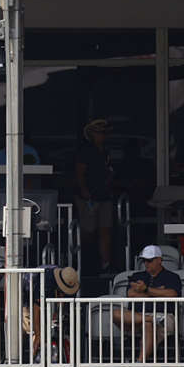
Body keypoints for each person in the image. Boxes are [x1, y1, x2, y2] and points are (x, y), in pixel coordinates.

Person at [113, 244, 181, 366]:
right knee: (116, 313)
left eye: (150, 260)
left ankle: (139, 364)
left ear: (159, 260)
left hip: (164, 315)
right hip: (137, 316)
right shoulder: (137, 276)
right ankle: (152, 319)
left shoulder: (172, 277)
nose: (146, 263)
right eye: (144, 260)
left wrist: (146, 290)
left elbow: (172, 294)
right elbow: (131, 294)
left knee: (148, 325)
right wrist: (159, 293)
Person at [74, 118, 118, 276]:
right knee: (88, 231)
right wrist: (84, 190)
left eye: (104, 133)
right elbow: (79, 172)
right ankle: (87, 263)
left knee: (105, 230)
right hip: (88, 198)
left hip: (104, 196)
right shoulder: (85, 150)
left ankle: (105, 264)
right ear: (92, 134)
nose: (102, 136)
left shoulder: (105, 151)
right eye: (99, 133)